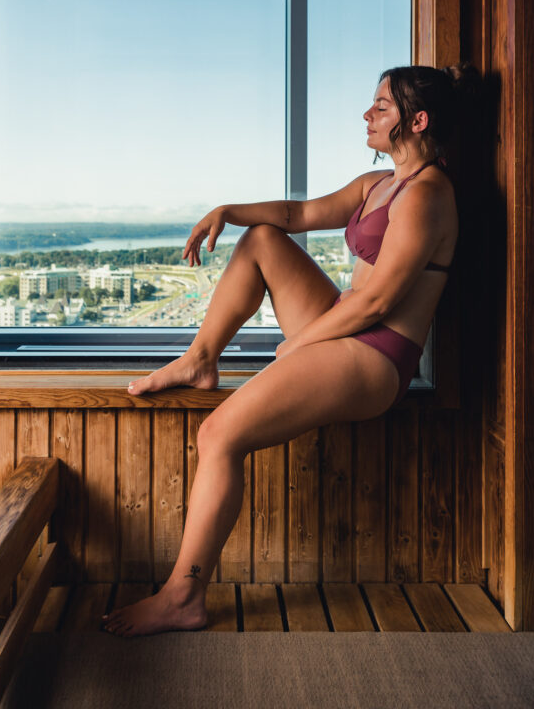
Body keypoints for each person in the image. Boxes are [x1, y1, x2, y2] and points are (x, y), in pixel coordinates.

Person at [102, 62, 476, 638]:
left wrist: (298, 343)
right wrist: (228, 211)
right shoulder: (377, 184)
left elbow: (376, 305)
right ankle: (203, 358)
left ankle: (183, 596)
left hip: (377, 353)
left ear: (418, 120)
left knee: (219, 435)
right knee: (262, 241)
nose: (367, 114)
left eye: (382, 106)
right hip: (346, 324)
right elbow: (297, 216)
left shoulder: (428, 195)